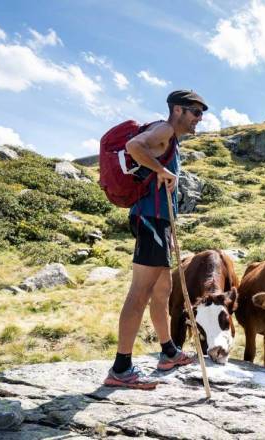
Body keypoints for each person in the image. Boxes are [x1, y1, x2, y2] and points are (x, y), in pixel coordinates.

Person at [103, 90, 207, 389]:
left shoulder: (169, 138)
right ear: (178, 110)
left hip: (158, 222)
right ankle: (121, 369)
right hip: (150, 220)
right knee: (140, 292)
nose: (199, 119)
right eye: (195, 112)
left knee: (163, 289)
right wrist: (162, 170)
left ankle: (168, 351)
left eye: (201, 113)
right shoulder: (163, 129)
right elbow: (134, 146)